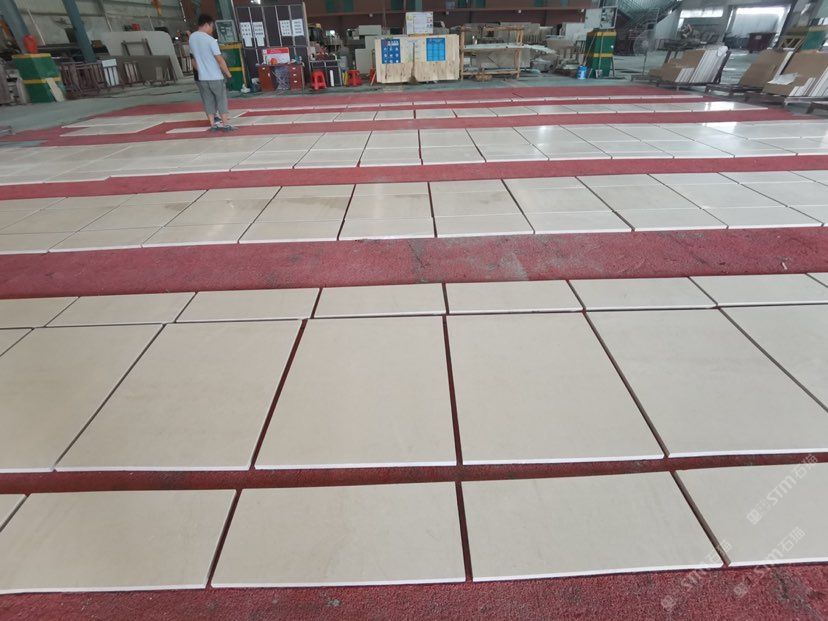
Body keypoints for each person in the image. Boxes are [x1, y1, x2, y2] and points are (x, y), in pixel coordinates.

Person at [189, 14, 235, 131]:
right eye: (211, 26)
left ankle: (213, 124)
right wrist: (229, 74)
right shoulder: (210, 40)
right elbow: (220, 59)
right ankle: (226, 124)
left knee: (208, 101)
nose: (212, 29)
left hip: (202, 78)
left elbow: (193, 60)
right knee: (221, 100)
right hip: (215, 76)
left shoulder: (192, 38)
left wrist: (202, 70)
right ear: (206, 24)